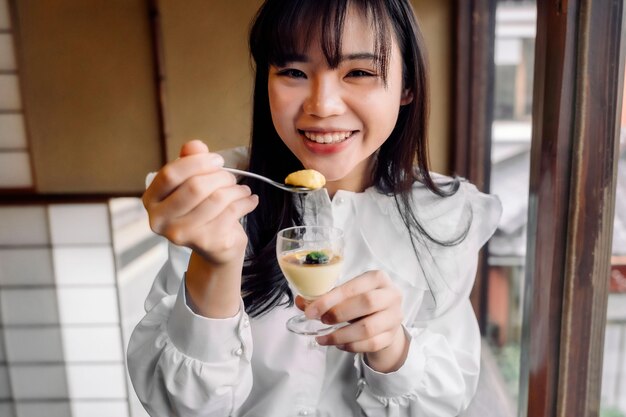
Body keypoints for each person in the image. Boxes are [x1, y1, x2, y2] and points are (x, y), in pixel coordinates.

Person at [127, 0, 502, 416]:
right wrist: (215, 264)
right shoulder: (218, 198)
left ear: (407, 86)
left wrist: (392, 348)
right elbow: (179, 407)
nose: (322, 106)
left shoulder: (441, 215)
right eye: (293, 72)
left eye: (358, 72)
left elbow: (449, 399)